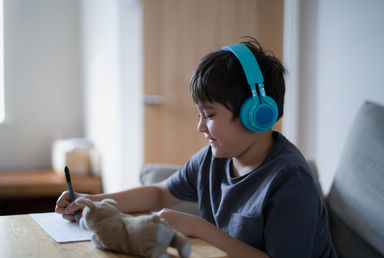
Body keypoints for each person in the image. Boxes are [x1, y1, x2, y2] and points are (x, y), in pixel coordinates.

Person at [55, 38, 337, 258]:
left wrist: (198, 227)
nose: (200, 127)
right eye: (199, 114)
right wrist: (91, 201)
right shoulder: (212, 160)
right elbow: (159, 193)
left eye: (210, 115)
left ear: (257, 114)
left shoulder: (290, 180)